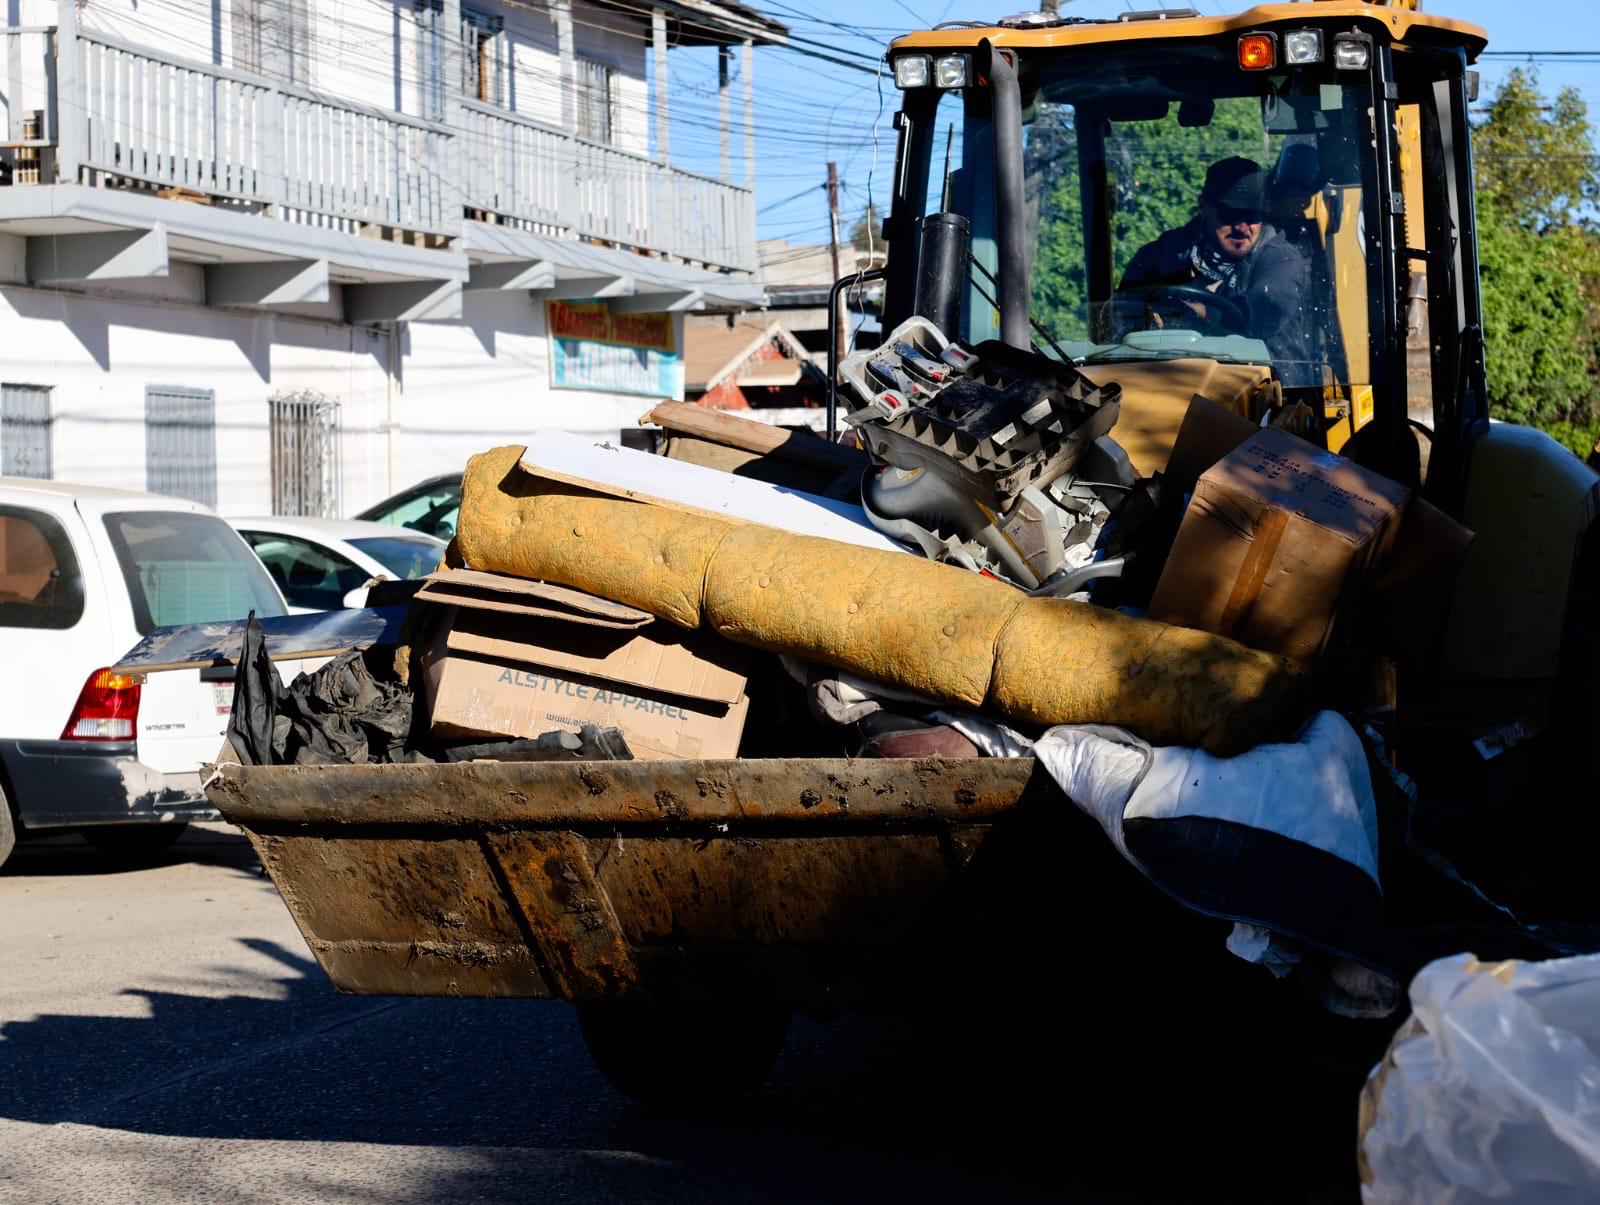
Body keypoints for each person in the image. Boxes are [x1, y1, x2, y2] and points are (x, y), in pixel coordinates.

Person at [1118, 156, 1313, 384]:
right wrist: (1143, 315)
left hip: (1268, 395)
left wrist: (1201, 312)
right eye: (1230, 214)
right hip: (1171, 384)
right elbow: (1119, 311)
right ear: (1204, 207)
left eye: (1252, 215)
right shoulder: (1164, 255)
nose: (1242, 227)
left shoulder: (1281, 260)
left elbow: (1264, 309)